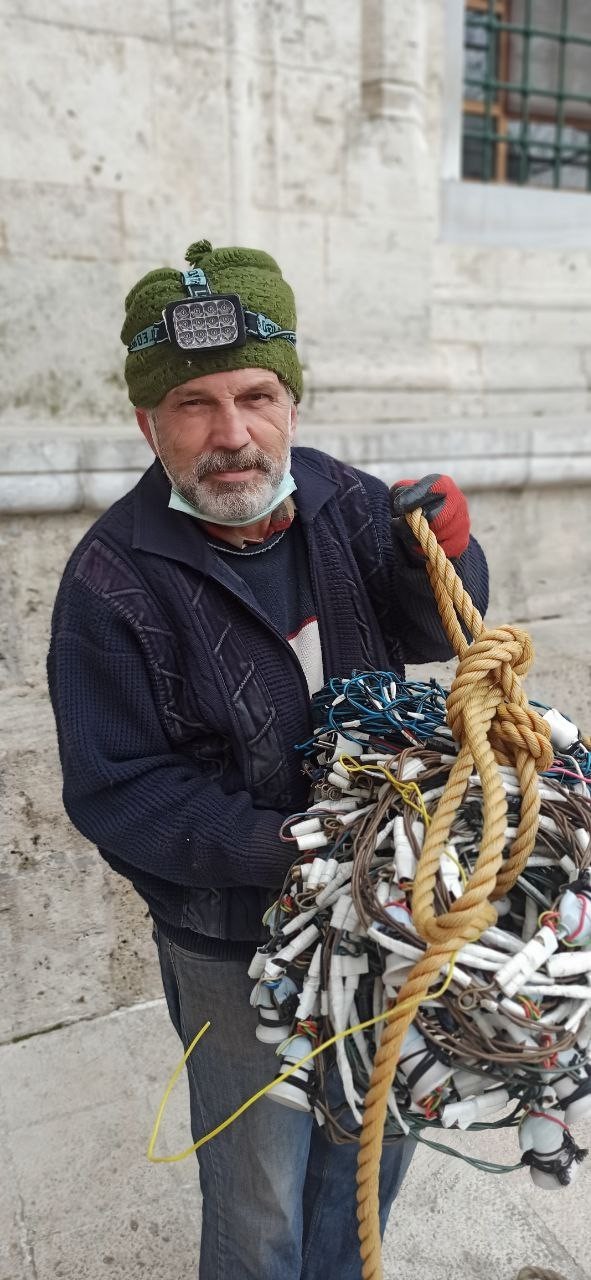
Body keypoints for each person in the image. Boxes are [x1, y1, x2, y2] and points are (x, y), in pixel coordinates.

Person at [48, 238, 489, 1280]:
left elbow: (438, 625)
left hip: (385, 920)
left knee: (368, 1153)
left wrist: (453, 551)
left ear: (291, 399)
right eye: (194, 404)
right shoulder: (109, 581)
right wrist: (303, 846)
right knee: (258, 1204)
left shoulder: (342, 498)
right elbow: (121, 792)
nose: (232, 434)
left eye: (256, 394)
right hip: (230, 942)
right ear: (147, 422)